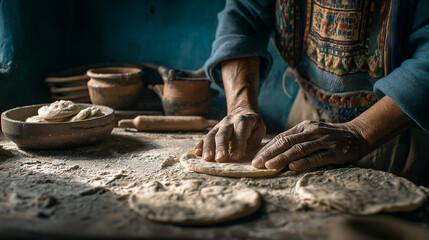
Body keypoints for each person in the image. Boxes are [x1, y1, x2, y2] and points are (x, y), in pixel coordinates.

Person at [194, 0, 429, 186]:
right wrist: (240, 106)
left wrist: (360, 132)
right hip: (308, 114)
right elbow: (243, 16)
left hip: (397, 121)